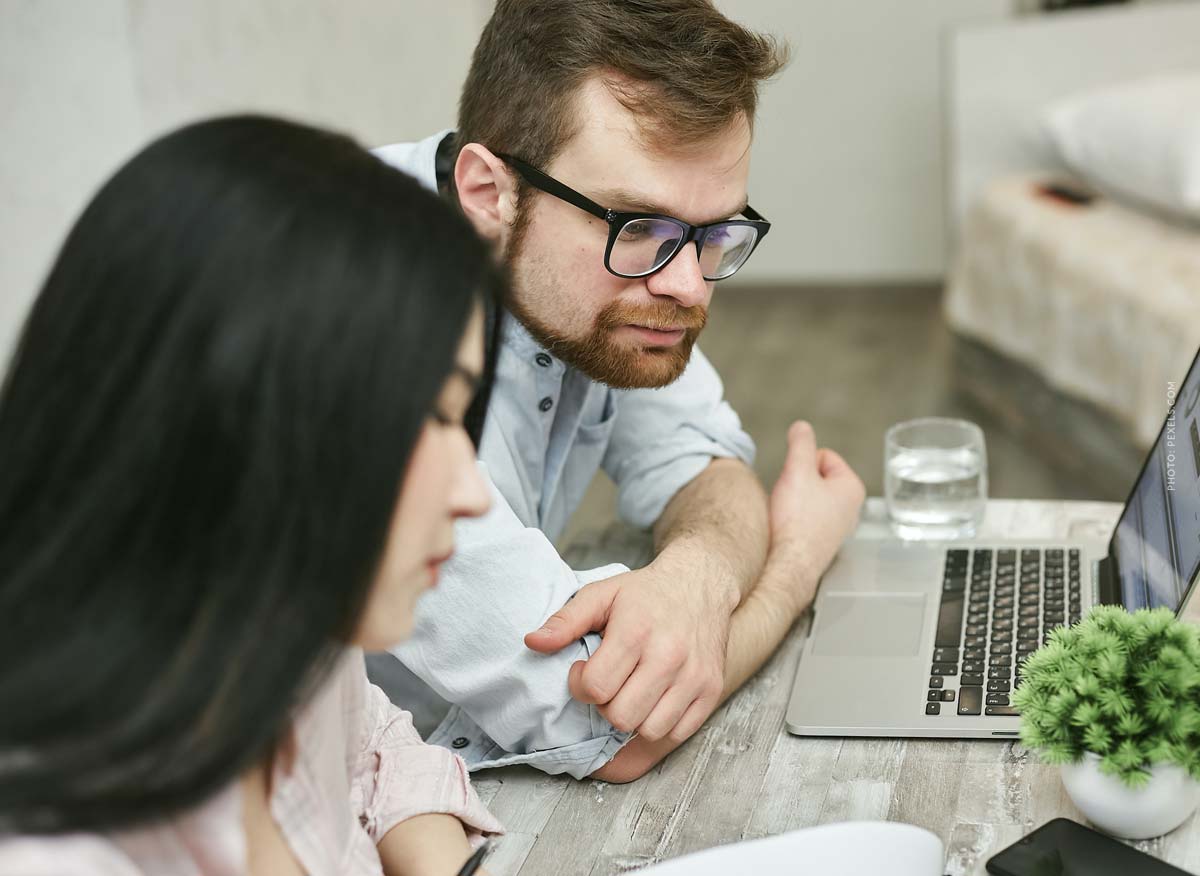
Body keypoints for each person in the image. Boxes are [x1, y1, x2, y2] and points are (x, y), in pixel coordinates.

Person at [367, 0, 866, 782]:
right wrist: (795, 561)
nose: (688, 287)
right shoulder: (356, 328)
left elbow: (700, 463)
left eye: (715, 234)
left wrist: (698, 571)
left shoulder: (587, 277)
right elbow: (606, 725)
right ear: (488, 190)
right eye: (638, 227)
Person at [0, 116, 504, 874]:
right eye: (429, 415)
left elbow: (376, 744)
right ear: (238, 418)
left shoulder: (287, 630)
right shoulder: (61, 851)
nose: (473, 493)